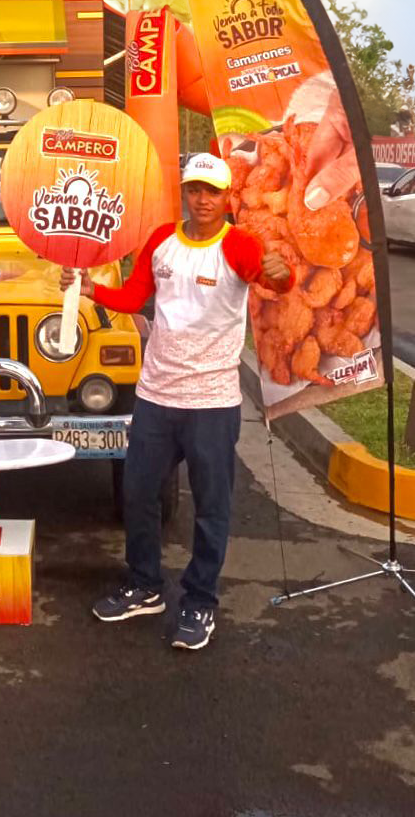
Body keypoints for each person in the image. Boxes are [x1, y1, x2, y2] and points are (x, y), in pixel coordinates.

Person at [61, 154, 293, 651]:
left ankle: (200, 600)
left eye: (212, 191)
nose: (203, 199)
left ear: (227, 196)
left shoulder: (238, 245)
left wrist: (284, 273)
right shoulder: (162, 241)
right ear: (184, 191)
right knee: (139, 497)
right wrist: (89, 289)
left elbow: (273, 280)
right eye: (194, 189)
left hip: (212, 401)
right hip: (156, 395)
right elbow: (133, 297)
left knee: (212, 507)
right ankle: (145, 585)